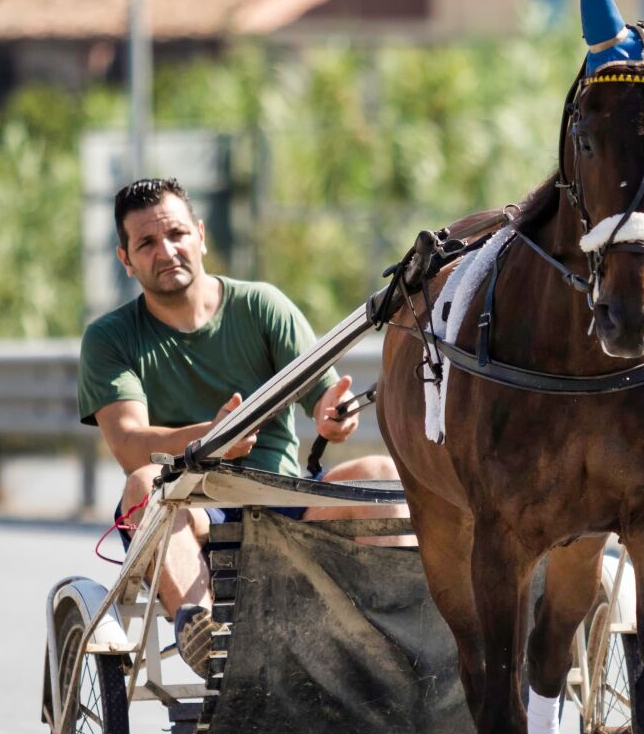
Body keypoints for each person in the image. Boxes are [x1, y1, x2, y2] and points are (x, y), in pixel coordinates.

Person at [77, 177, 401, 678]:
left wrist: (335, 416)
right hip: (190, 509)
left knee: (379, 472)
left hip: (283, 503)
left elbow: (325, 402)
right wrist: (210, 440)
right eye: (146, 243)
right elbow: (128, 444)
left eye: (177, 234)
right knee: (143, 482)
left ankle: (394, 634)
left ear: (201, 235)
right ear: (126, 259)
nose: (167, 251)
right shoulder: (110, 339)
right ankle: (204, 632)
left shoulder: (262, 306)